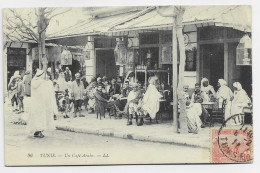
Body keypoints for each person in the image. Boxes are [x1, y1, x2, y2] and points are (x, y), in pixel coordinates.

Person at [27, 69, 58, 138]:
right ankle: (38, 132)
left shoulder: (33, 81)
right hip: (41, 104)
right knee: (41, 117)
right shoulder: (43, 82)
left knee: (35, 117)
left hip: (35, 103)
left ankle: (36, 131)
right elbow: (46, 92)